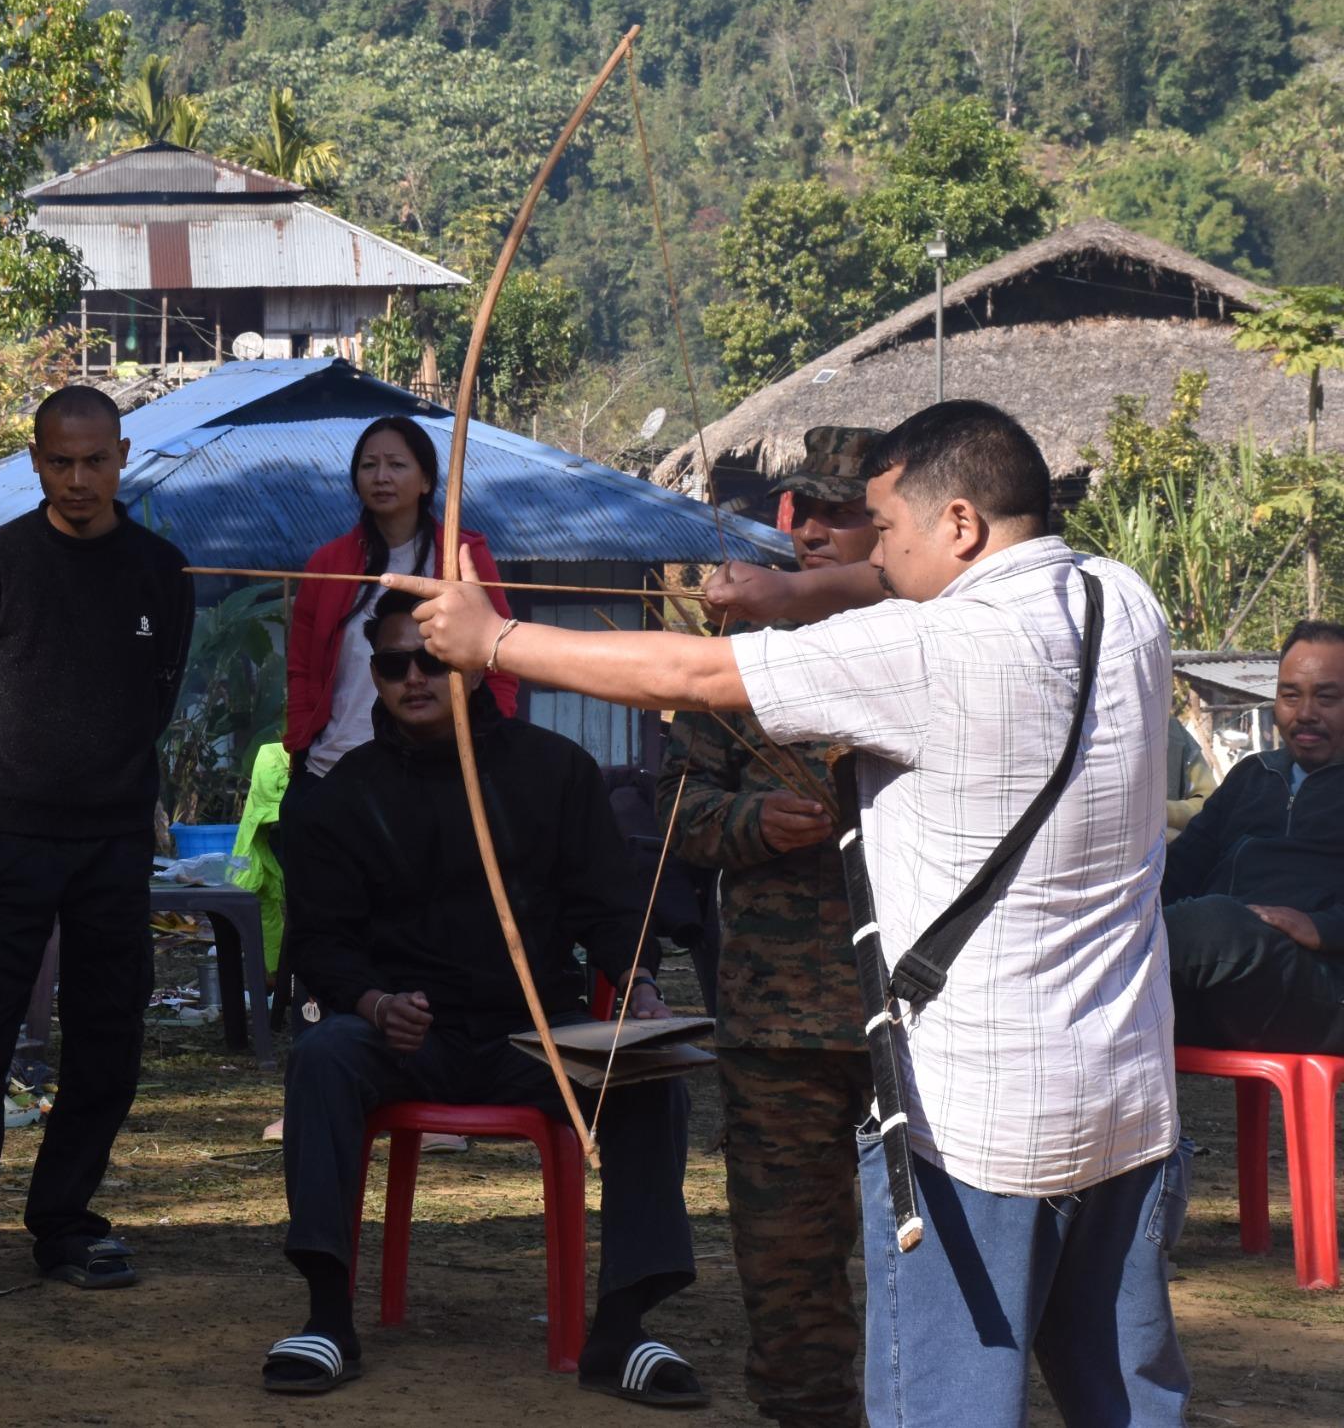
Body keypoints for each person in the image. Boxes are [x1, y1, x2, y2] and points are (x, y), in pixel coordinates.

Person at [387, 400, 1186, 1428]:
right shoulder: (1120, 599)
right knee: (1119, 1385)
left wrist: (492, 638)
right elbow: (871, 592)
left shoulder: (927, 648)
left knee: (949, 1398)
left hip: (979, 1119)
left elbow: (691, 672)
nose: (879, 561)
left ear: (955, 525)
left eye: (887, 531)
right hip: (1124, 1087)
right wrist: (793, 588)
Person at [263, 588, 702, 1403]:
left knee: (646, 1076)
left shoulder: (555, 771)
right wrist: (370, 1003)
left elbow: (608, 905)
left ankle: (625, 1327)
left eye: (431, 659)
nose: (413, 678)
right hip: (405, 1040)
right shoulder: (343, 793)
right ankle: (327, 1315)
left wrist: (638, 987)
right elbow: (320, 940)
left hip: (533, 1036)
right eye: (393, 664)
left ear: (468, 659)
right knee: (323, 1059)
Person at [0, 385, 194, 1302]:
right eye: (59, 461)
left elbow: (160, 696)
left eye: (94, 460)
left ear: (123, 456)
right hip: (17, 835)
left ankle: (66, 1222)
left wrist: (103, 778)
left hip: (113, 843)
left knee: (108, 1036)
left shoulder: (159, 571)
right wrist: (8, 776)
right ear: (34, 461)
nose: (77, 479)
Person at [660, 426, 881, 1428]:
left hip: (917, 1011)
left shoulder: (935, 637)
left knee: (940, 1242)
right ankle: (806, 1408)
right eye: (804, 512)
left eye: (843, 514)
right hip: (777, 1011)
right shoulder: (739, 655)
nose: (815, 532)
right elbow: (676, 808)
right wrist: (753, 821)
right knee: (786, 1248)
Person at [284, 414, 518, 784]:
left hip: (446, 768)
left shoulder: (462, 556)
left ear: (426, 480)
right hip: (336, 764)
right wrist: (299, 742)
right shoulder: (327, 564)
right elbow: (301, 670)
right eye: (369, 466)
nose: (381, 477)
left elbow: (498, 653)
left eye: (396, 465)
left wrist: (491, 735)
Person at [1161, 619, 1344, 1054]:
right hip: (1215, 984)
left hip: (1319, 988)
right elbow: (1180, 870)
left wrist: (1323, 926)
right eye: (1290, 695)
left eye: (1327, 698)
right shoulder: (1252, 776)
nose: (1304, 714)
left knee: (1216, 923)